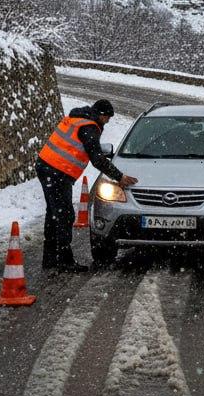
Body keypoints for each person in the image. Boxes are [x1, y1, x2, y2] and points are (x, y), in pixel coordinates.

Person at [36, 98, 138, 272]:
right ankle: (64, 261)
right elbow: (97, 159)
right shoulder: (89, 127)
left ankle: (51, 258)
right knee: (64, 215)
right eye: (107, 118)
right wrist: (119, 176)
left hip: (46, 166)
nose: (107, 121)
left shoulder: (78, 119)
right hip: (57, 171)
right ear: (101, 115)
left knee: (54, 213)